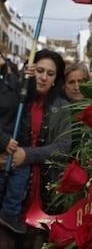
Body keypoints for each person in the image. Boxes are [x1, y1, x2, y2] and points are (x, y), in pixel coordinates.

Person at [0, 49, 71, 247]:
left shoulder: (63, 107)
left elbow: (63, 148)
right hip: (9, 193)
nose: (43, 77)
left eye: (50, 73)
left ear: (56, 78)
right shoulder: (17, 99)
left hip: (44, 195)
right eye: (39, 71)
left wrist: (27, 155)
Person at [0, 51, 27, 235]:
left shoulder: (9, 80)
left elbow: (23, 98)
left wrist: (29, 78)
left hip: (10, 146)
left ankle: (9, 213)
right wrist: (3, 141)